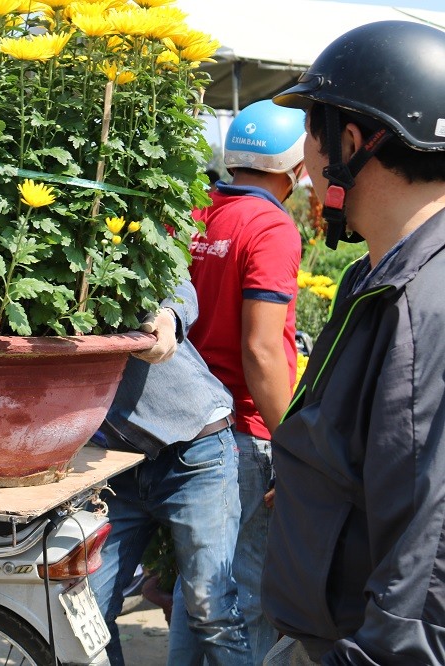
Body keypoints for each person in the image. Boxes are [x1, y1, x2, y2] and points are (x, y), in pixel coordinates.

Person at [262, 20, 445, 665]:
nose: (304, 163)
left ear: (353, 141)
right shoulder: (380, 274)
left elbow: (433, 532)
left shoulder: (425, 305)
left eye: (311, 133)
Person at [176, 99, 307, 665]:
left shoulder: (195, 212)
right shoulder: (272, 227)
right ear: (296, 167)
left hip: (187, 425)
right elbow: (262, 349)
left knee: (197, 588)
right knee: (242, 595)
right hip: (245, 431)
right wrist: (294, 445)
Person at [89, 281, 251, 665]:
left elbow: (174, 280)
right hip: (116, 464)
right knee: (87, 616)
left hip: (196, 450)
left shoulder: (101, 241)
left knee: (212, 609)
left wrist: (167, 317)